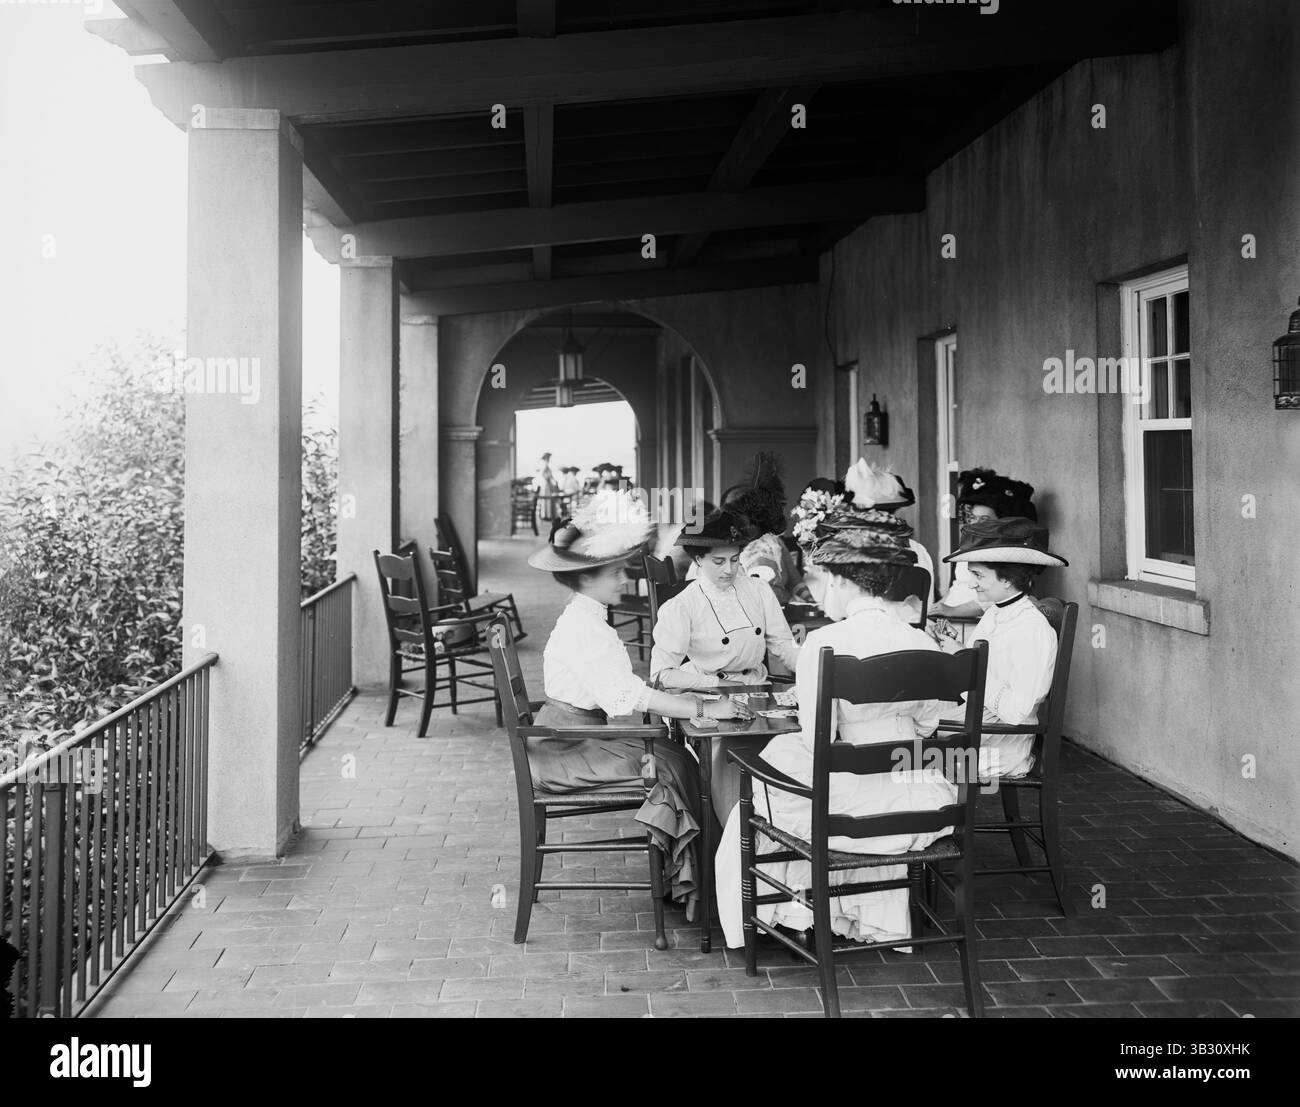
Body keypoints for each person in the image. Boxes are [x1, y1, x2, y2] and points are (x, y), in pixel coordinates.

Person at [715, 499, 956, 949]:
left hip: (847, 814)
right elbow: (928, 728)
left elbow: (818, 739)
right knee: (807, 775)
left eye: (821, 579)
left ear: (842, 581)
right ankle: (851, 911)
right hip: (918, 806)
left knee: (762, 785)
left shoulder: (825, 644)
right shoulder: (924, 641)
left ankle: (784, 912)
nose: (818, 589)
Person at [527, 490, 753, 920]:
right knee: (673, 763)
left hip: (574, 735)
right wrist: (705, 710)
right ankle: (697, 891)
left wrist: (689, 694)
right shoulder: (585, 628)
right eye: (615, 574)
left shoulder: (587, 616)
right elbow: (629, 697)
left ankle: (696, 883)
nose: (623, 581)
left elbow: (627, 688)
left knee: (672, 755)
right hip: (565, 750)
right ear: (588, 577)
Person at [650, 508, 801, 819]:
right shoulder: (682, 606)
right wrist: (713, 685)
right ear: (698, 560)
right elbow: (661, 675)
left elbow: (783, 645)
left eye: (735, 559)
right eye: (718, 561)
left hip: (759, 692)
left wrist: (816, 668)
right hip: (711, 696)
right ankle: (729, 837)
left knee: (791, 749)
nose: (729, 569)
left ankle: (776, 832)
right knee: (727, 767)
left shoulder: (759, 590)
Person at [940, 515, 1064, 779]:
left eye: (978, 575)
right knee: (900, 738)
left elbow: (1015, 711)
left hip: (1002, 746)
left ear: (1007, 578)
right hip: (978, 732)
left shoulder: (1031, 628)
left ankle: (948, 818)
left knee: (903, 761)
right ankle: (937, 815)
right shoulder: (995, 614)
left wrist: (966, 662)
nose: (971, 583)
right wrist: (959, 651)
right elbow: (976, 685)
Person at [932, 468, 1038, 617]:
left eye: (984, 519)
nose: (976, 523)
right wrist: (938, 607)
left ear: (1000, 522)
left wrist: (952, 611)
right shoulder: (965, 548)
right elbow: (956, 587)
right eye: (973, 517)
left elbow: (994, 599)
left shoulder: (1003, 555)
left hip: (974, 623)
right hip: (949, 620)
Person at [723, 451, 812, 605]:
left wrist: (811, 601)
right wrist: (784, 596)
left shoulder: (775, 542)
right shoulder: (727, 546)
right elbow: (757, 595)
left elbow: (795, 580)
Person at [534, 453, 560, 522]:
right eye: (548, 458)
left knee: (547, 499)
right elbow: (543, 474)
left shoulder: (545, 464)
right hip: (545, 483)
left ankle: (547, 515)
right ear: (546, 458)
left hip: (546, 483)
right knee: (546, 499)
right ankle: (546, 515)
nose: (549, 459)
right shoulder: (544, 464)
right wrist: (547, 478)